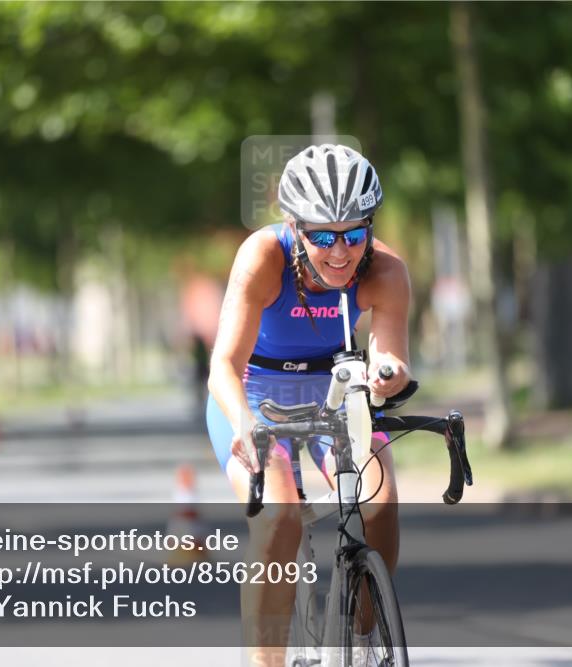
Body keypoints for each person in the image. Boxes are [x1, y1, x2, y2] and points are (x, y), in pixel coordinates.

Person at [206, 144, 411, 666]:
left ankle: (365, 638)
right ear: (295, 227)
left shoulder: (386, 272)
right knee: (280, 520)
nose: (339, 251)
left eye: (353, 233)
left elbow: (390, 359)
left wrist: (385, 377)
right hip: (255, 390)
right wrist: (244, 424)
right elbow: (223, 366)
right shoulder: (262, 257)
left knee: (381, 498)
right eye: (322, 235)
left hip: (335, 386)